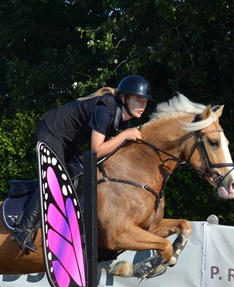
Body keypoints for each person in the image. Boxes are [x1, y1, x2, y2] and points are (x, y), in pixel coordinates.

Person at [12, 75, 154, 253]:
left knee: (77, 175)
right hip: (50, 132)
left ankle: (28, 190)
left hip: (68, 142)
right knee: (56, 178)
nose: (143, 106)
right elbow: (96, 151)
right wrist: (124, 136)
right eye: (138, 100)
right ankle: (23, 230)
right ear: (124, 98)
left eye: (145, 102)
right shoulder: (105, 109)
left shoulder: (124, 122)